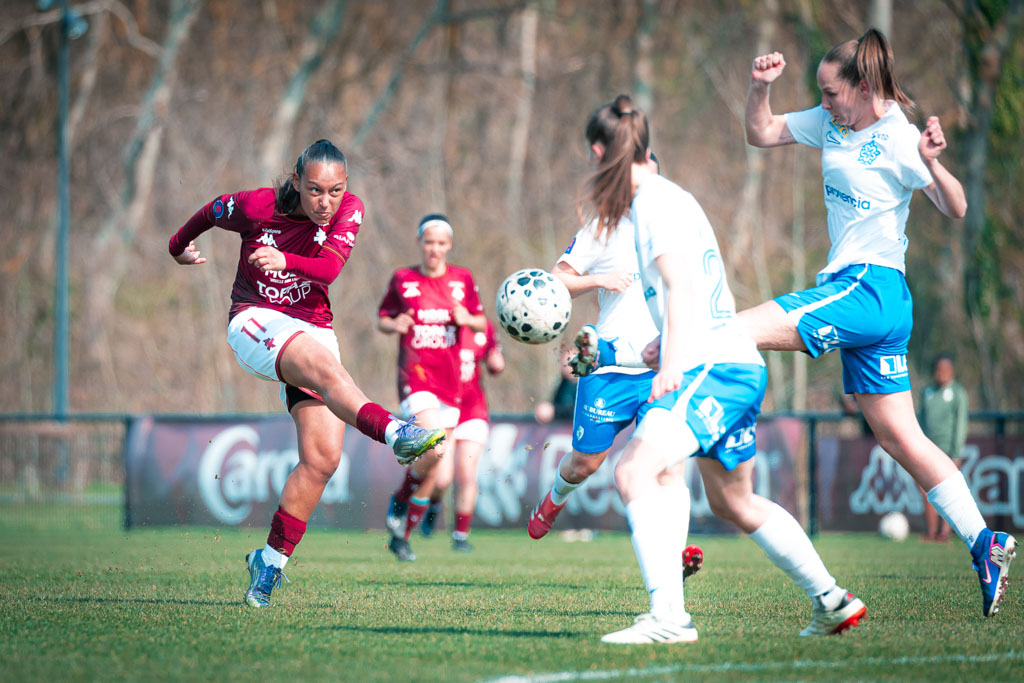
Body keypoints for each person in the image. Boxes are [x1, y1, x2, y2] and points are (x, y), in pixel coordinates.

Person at [741, 28, 1014, 616]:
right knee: (900, 438)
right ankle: (985, 542)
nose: (824, 103)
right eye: (820, 93)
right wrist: (760, 89)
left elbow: (957, 206)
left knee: (736, 331)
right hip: (874, 302)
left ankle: (708, 459)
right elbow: (761, 133)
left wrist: (932, 164)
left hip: (868, 287)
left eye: (831, 93)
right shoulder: (830, 122)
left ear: (863, 88)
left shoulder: (898, 136)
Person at [583, 95, 862, 644]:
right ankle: (832, 600)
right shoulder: (669, 197)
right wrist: (665, 341)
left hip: (710, 367)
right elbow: (700, 289)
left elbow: (682, 286)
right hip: (734, 361)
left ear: (597, 153)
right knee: (733, 501)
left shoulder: (652, 203)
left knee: (634, 471)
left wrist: (672, 363)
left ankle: (669, 619)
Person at [167, 139, 446, 608]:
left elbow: (329, 270)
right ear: (296, 181)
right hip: (255, 319)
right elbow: (211, 210)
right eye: (315, 190)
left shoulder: (349, 210)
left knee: (322, 460)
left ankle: (269, 562)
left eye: (335, 191)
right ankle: (397, 433)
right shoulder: (257, 206)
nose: (325, 202)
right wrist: (177, 246)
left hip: (312, 325)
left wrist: (284, 260)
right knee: (323, 367)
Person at [378, 213, 488, 562]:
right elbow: (383, 319)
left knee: (437, 470)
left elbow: (482, 321)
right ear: (420, 243)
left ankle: (402, 535)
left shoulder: (462, 279)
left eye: (441, 243)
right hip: (416, 377)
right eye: (429, 242)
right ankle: (401, 501)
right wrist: (394, 323)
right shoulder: (403, 279)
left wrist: (467, 319)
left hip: (450, 384)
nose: (434, 249)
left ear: (449, 245)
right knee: (435, 446)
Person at [419, 318, 505, 552]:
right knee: (442, 479)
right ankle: (434, 504)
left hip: (473, 408)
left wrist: (496, 362)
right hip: (444, 407)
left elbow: (494, 362)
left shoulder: (483, 325)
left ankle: (460, 535)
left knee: (467, 474)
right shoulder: (439, 325)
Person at [918, 353, 969, 542]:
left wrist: (956, 453)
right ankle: (931, 532)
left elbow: (961, 424)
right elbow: (920, 420)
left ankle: (944, 532)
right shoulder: (927, 392)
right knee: (925, 490)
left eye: (945, 369)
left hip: (948, 451)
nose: (941, 373)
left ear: (952, 371)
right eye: (938, 369)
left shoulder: (958, 393)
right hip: (927, 449)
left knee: (948, 491)